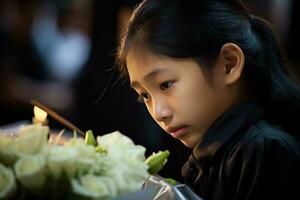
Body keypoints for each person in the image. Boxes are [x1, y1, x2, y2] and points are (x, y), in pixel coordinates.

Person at [115, 0, 300, 199]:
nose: (159, 113)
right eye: (145, 96)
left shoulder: (264, 152)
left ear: (229, 64)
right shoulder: (213, 153)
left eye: (166, 84)